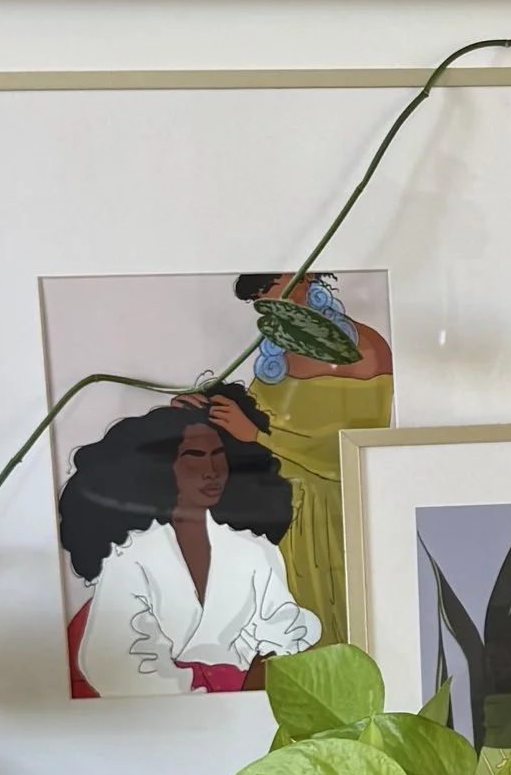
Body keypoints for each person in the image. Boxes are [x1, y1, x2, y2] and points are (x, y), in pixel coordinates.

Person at [57, 387, 319, 696]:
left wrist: (260, 678)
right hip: (156, 714)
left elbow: (286, 632)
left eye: (218, 455)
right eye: (195, 457)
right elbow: (119, 664)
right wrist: (213, 691)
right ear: (164, 466)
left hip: (251, 708)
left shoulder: (255, 551)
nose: (212, 471)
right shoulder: (130, 556)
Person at [236, 271, 395, 642]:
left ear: (307, 276)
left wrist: (257, 435)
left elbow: (355, 447)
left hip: (330, 515)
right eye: (260, 294)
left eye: (273, 286)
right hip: (274, 513)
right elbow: (257, 422)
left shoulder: (366, 347)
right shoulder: (275, 350)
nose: (268, 299)